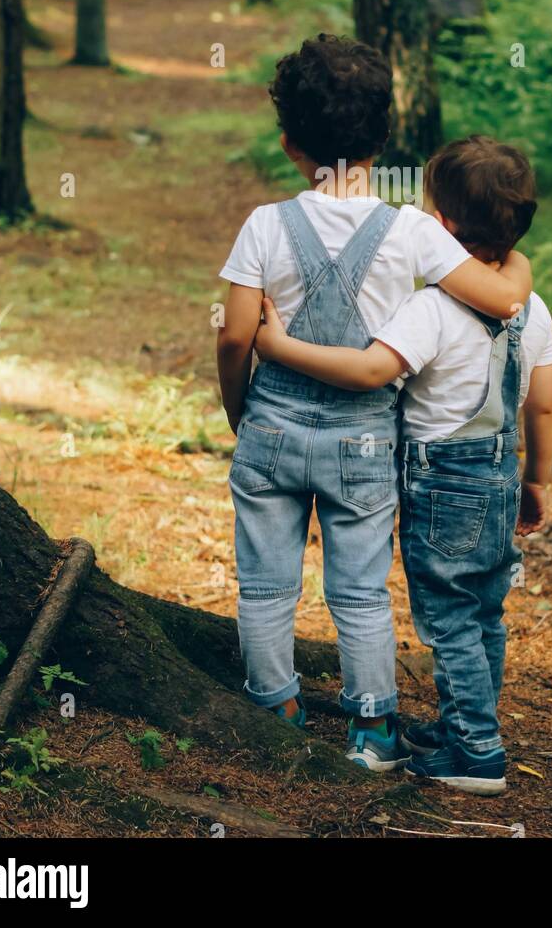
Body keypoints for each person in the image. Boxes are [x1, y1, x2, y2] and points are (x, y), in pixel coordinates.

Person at [217, 39, 532, 769]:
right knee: (358, 590)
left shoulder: (265, 225)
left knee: (264, 581)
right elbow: (505, 299)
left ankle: (275, 708)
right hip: (364, 444)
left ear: (288, 140)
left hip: (271, 426)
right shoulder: (412, 231)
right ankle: (372, 730)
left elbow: (238, 337)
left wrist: (242, 413)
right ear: (382, 138)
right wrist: (516, 255)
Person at [255, 134, 552, 793]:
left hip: (440, 483)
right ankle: (465, 726)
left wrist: (277, 347)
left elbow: (368, 370)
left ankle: (476, 752)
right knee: (483, 613)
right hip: (499, 474)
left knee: (447, 619)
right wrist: (535, 478)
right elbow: (542, 407)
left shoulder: (430, 308)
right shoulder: (531, 309)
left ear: (441, 227)